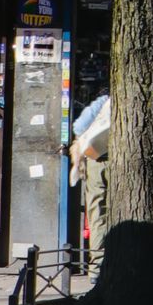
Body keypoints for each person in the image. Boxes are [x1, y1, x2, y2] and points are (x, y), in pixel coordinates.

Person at [69, 93, 112, 271]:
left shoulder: (105, 101)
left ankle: (98, 267)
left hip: (97, 159)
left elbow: (79, 127)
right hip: (125, 161)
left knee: (98, 212)